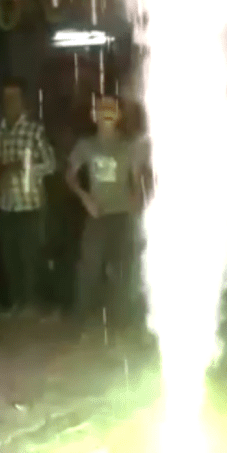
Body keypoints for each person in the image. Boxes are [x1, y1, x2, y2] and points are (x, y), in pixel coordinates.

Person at [67, 96, 144, 324]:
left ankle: (122, 320)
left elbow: (137, 178)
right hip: (98, 213)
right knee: (89, 265)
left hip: (123, 214)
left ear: (118, 115)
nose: (106, 113)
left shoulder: (128, 145)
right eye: (101, 108)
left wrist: (136, 200)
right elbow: (70, 175)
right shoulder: (86, 145)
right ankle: (83, 319)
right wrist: (85, 197)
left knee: (123, 268)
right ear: (95, 115)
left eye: (111, 109)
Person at [0, 80, 56, 316]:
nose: (9, 103)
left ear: (24, 101)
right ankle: (16, 302)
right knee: (10, 257)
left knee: (30, 256)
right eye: (6, 98)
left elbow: (51, 164)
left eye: (14, 98)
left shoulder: (34, 130)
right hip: (5, 203)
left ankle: (32, 303)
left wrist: (26, 168)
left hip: (30, 203)